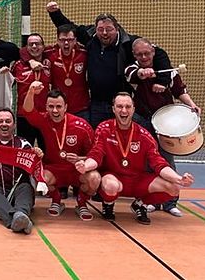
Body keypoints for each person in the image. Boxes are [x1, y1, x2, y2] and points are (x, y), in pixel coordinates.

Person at [46, 2, 173, 127]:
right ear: (96, 29)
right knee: (99, 138)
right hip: (97, 103)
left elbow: (158, 53)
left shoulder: (128, 42)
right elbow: (69, 27)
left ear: (117, 28)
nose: (104, 33)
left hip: (120, 102)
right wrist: (55, 13)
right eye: (101, 29)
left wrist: (162, 81)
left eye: (109, 29)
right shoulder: (90, 37)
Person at [75, 92, 195, 225]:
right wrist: (85, 166)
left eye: (127, 106)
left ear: (133, 109)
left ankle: (140, 204)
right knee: (110, 185)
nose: (124, 110)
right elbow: (96, 155)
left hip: (138, 181)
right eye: (120, 106)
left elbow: (159, 164)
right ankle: (108, 204)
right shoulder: (104, 129)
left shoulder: (144, 135)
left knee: (173, 187)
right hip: (113, 178)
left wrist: (179, 179)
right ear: (113, 109)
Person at [126, 38, 200, 217]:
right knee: (146, 161)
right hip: (142, 118)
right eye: (139, 54)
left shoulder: (169, 73)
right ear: (134, 55)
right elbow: (132, 76)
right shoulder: (131, 69)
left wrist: (192, 104)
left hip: (166, 120)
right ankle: (150, 200)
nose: (144, 57)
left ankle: (170, 202)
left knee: (166, 159)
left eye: (147, 53)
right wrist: (144, 73)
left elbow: (180, 91)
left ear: (153, 51)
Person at [18, 81, 98, 221]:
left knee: (95, 179)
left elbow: (95, 155)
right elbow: (27, 111)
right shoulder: (45, 120)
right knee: (39, 179)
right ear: (46, 107)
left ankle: (82, 202)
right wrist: (31, 91)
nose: (55, 111)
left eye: (59, 106)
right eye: (51, 106)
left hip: (77, 169)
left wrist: (81, 159)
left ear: (66, 107)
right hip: (54, 169)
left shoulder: (81, 126)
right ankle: (56, 200)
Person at [0, 108, 44, 233]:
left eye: (8, 121)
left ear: (14, 125)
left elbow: (34, 161)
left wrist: (37, 153)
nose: (4, 124)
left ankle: (18, 217)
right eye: (1, 121)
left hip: (18, 192)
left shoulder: (24, 145)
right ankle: (17, 219)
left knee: (26, 187)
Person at [12, 33, 50, 149]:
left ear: (43, 47)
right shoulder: (18, 66)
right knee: (25, 150)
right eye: (31, 44)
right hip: (24, 116)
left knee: (46, 150)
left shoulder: (49, 63)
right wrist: (3, 74)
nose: (34, 47)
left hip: (45, 115)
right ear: (26, 48)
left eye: (37, 44)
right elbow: (6, 84)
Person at [45, 24, 90, 120]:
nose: (66, 43)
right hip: (58, 108)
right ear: (57, 40)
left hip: (81, 108)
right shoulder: (49, 53)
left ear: (75, 40)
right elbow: (26, 51)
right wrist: (31, 61)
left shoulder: (84, 53)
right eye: (62, 40)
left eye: (70, 40)